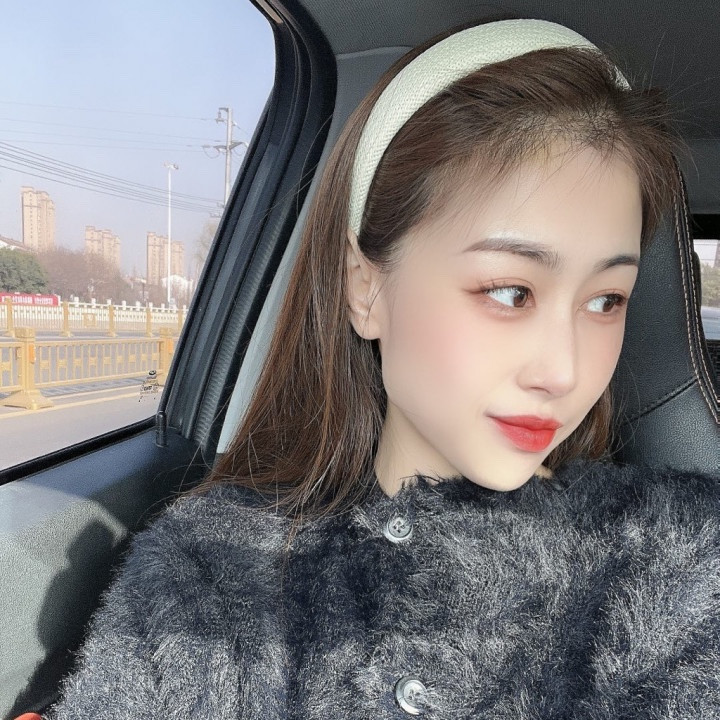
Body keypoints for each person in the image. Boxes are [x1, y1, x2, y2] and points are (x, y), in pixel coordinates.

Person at [38, 18, 719, 720]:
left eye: (606, 301)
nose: (565, 371)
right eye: (510, 291)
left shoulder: (679, 559)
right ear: (366, 288)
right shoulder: (210, 572)